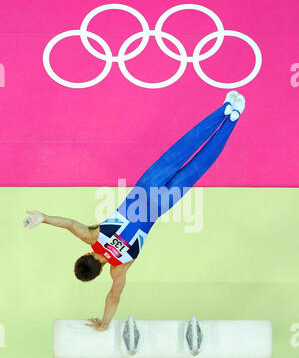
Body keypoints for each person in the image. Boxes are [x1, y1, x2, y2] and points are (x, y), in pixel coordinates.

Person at [23, 91, 245, 331]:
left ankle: (233, 119)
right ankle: (223, 111)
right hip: (145, 187)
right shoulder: (92, 237)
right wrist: (43, 218)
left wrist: (104, 323)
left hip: (162, 204)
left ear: (99, 273)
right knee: (181, 150)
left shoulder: (119, 268)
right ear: (86, 255)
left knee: (198, 165)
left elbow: (113, 297)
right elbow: (68, 223)